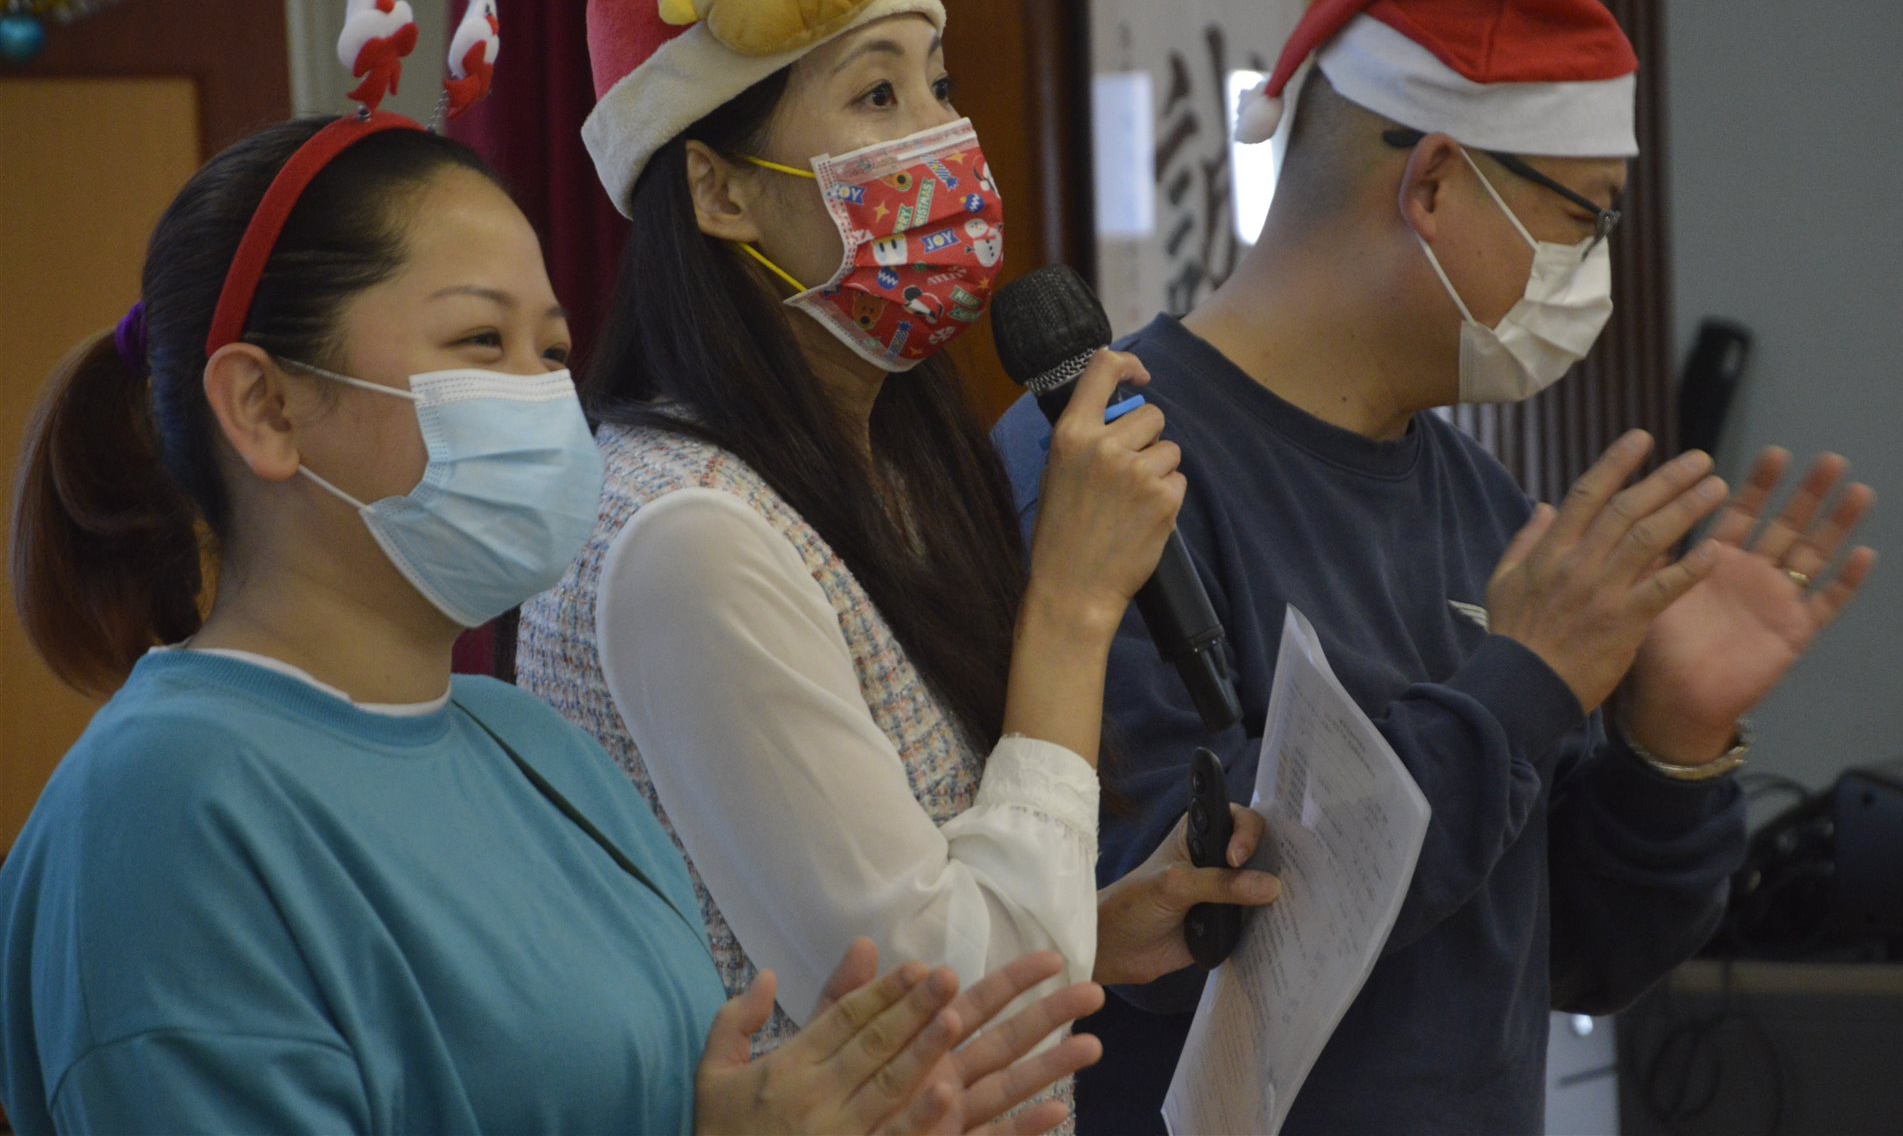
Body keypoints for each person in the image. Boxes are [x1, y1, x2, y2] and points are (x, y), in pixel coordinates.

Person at [0, 106, 1102, 1131]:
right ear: (265, 405)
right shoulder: (165, 807)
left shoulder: (533, 749)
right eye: (481, 343)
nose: (539, 399)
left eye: (553, 353)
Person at [993, 0, 1878, 1133]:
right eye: (1585, 218)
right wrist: (1521, 683)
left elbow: (1582, 953)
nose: (1595, 270)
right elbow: (1170, 924)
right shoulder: (1106, 463)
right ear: (1434, 181)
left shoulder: (1481, 504)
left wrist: (1669, 747)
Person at [515, 0, 1279, 1125]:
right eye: (876, 94)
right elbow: (939, 1004)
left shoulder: (873, 463)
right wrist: (1072, 607)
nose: (943, 141)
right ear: (717, 190)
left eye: (938, 85)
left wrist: (1087, 926)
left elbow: (896, 912)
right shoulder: (685, 532)